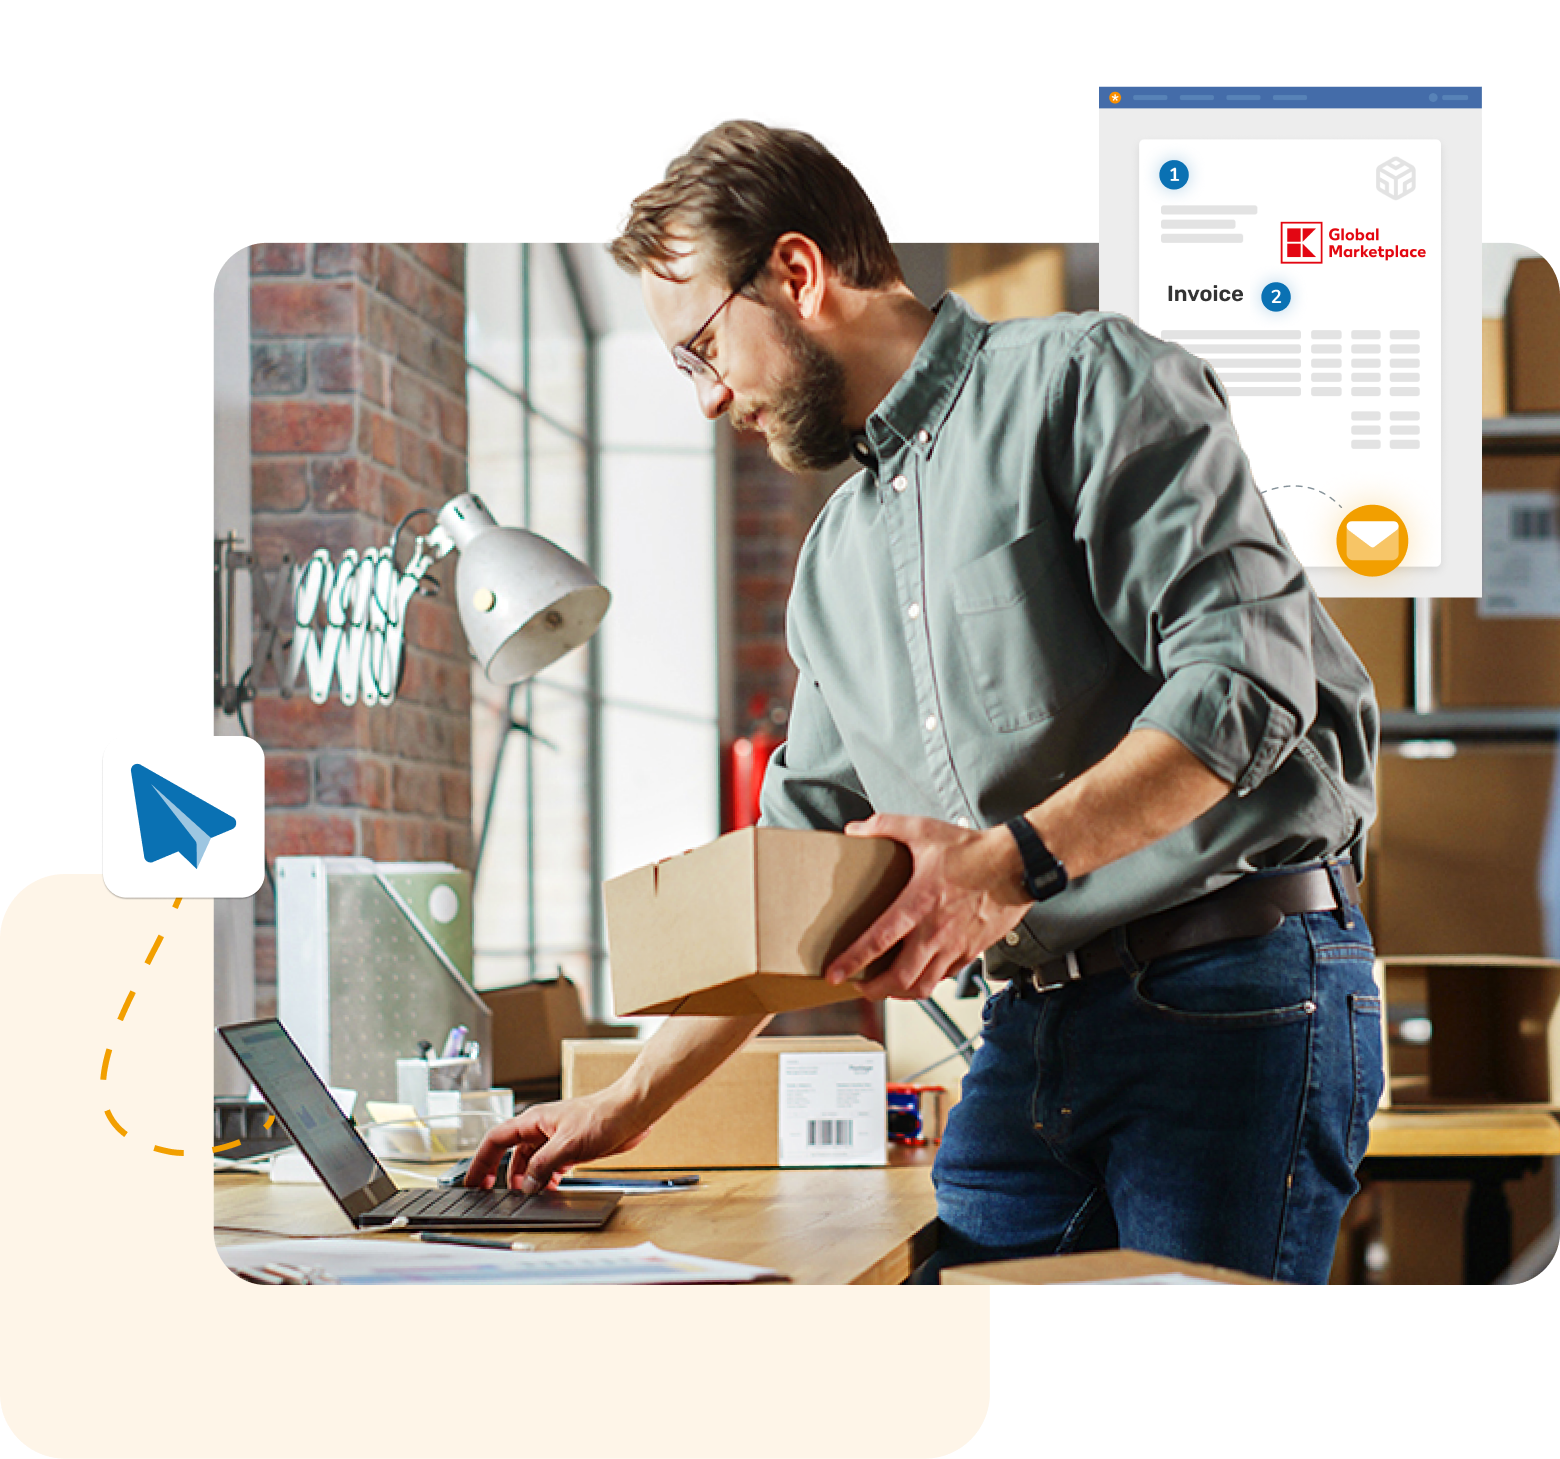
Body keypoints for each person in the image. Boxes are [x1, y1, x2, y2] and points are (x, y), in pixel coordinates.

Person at [464, 117, 1385, 1285]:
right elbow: (790, 871)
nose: (709, 400)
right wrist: (620, 1104)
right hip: (1035, 1028)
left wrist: (1003, 869)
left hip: (1230, 986)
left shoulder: (1087, 380)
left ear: (796, 273)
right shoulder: (835, 561)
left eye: (703, 349)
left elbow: (1249, 685)